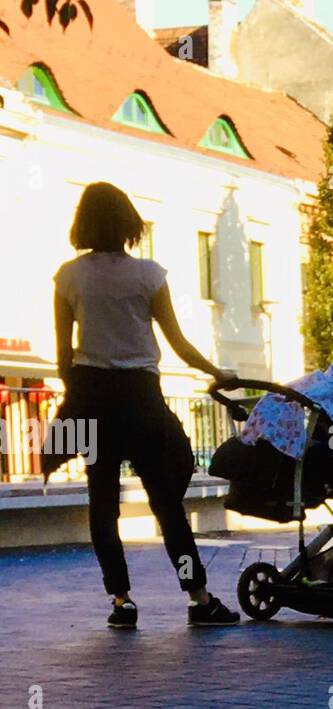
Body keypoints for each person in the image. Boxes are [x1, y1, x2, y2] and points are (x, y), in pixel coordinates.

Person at [53, 182, 240, 628]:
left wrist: (76, 397)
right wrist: (217, 372)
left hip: (93, 398)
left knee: (102, 502)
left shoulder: (68, 277)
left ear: (83, 222)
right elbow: (176, 342)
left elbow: (64, 355)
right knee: (167, 503)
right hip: (142, 398)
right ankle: (198, 597)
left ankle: (121, 602)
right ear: (128, 223)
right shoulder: (149, 275)